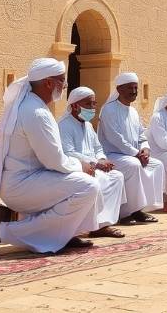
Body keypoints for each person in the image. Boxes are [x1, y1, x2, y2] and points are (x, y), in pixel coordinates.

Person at [0, 58, 101, 255]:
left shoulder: (32, 106)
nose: (64, 86)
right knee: (87, 186)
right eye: (62, 81)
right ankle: (3, 230)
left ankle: (62, 233)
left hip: (26, 181)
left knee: (82, 181)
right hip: (23, 185)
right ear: (48, 83)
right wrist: (81, 166)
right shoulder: (36, 112)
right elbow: (53, 160)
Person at [59, 86, 126, 238]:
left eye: (94, 104)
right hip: (77, 167)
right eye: (88, 104)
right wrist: (95, 163)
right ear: (75, 106)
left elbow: (97, 147)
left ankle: (103, 224)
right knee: (99, 179)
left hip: (94, 165)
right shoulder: (64, 125)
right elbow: (68, 152)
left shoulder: (88, 125)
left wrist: (102, 159)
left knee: (116, 177)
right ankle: (92, 225)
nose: (92, 108)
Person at [98, 72, 163, 224]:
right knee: (133, 165)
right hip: (112, 155)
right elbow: (115, 138)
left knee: (157, 165)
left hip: (132, 154)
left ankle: (141, 208)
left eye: (136, 88)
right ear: (119, 89)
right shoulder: (108, 110)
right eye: (130, 88)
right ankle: (126, 213)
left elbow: (142, 135)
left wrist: (145, 149)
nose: (134, 91)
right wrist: (136, 154)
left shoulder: (133, 111)